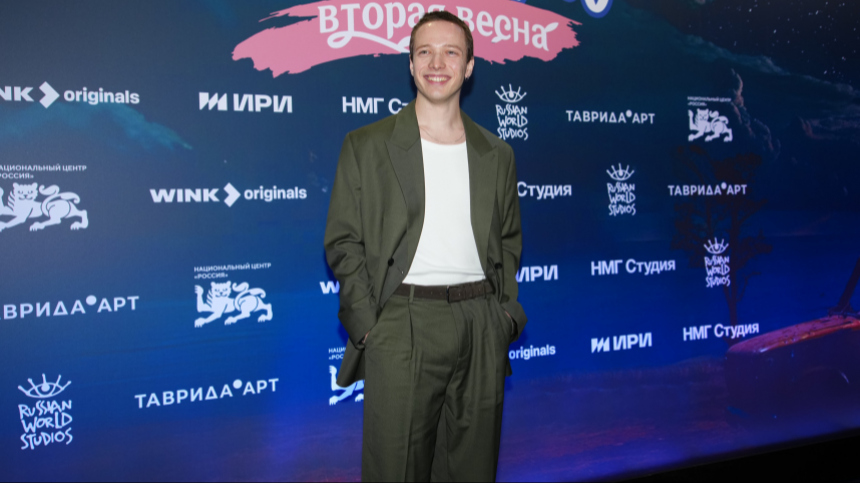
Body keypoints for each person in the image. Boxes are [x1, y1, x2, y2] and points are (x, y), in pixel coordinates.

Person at [324, 10, 527, 482]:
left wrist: (503, 316)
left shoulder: (497, 154)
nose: (437, 63)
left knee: (472, 471)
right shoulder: (366, 145)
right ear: (411, 64)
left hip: (481, 324)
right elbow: (343, 241)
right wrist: (370, 327)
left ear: (469, 66)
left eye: (451, 52)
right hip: (402, 323)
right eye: (425, 52)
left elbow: (508, 242)